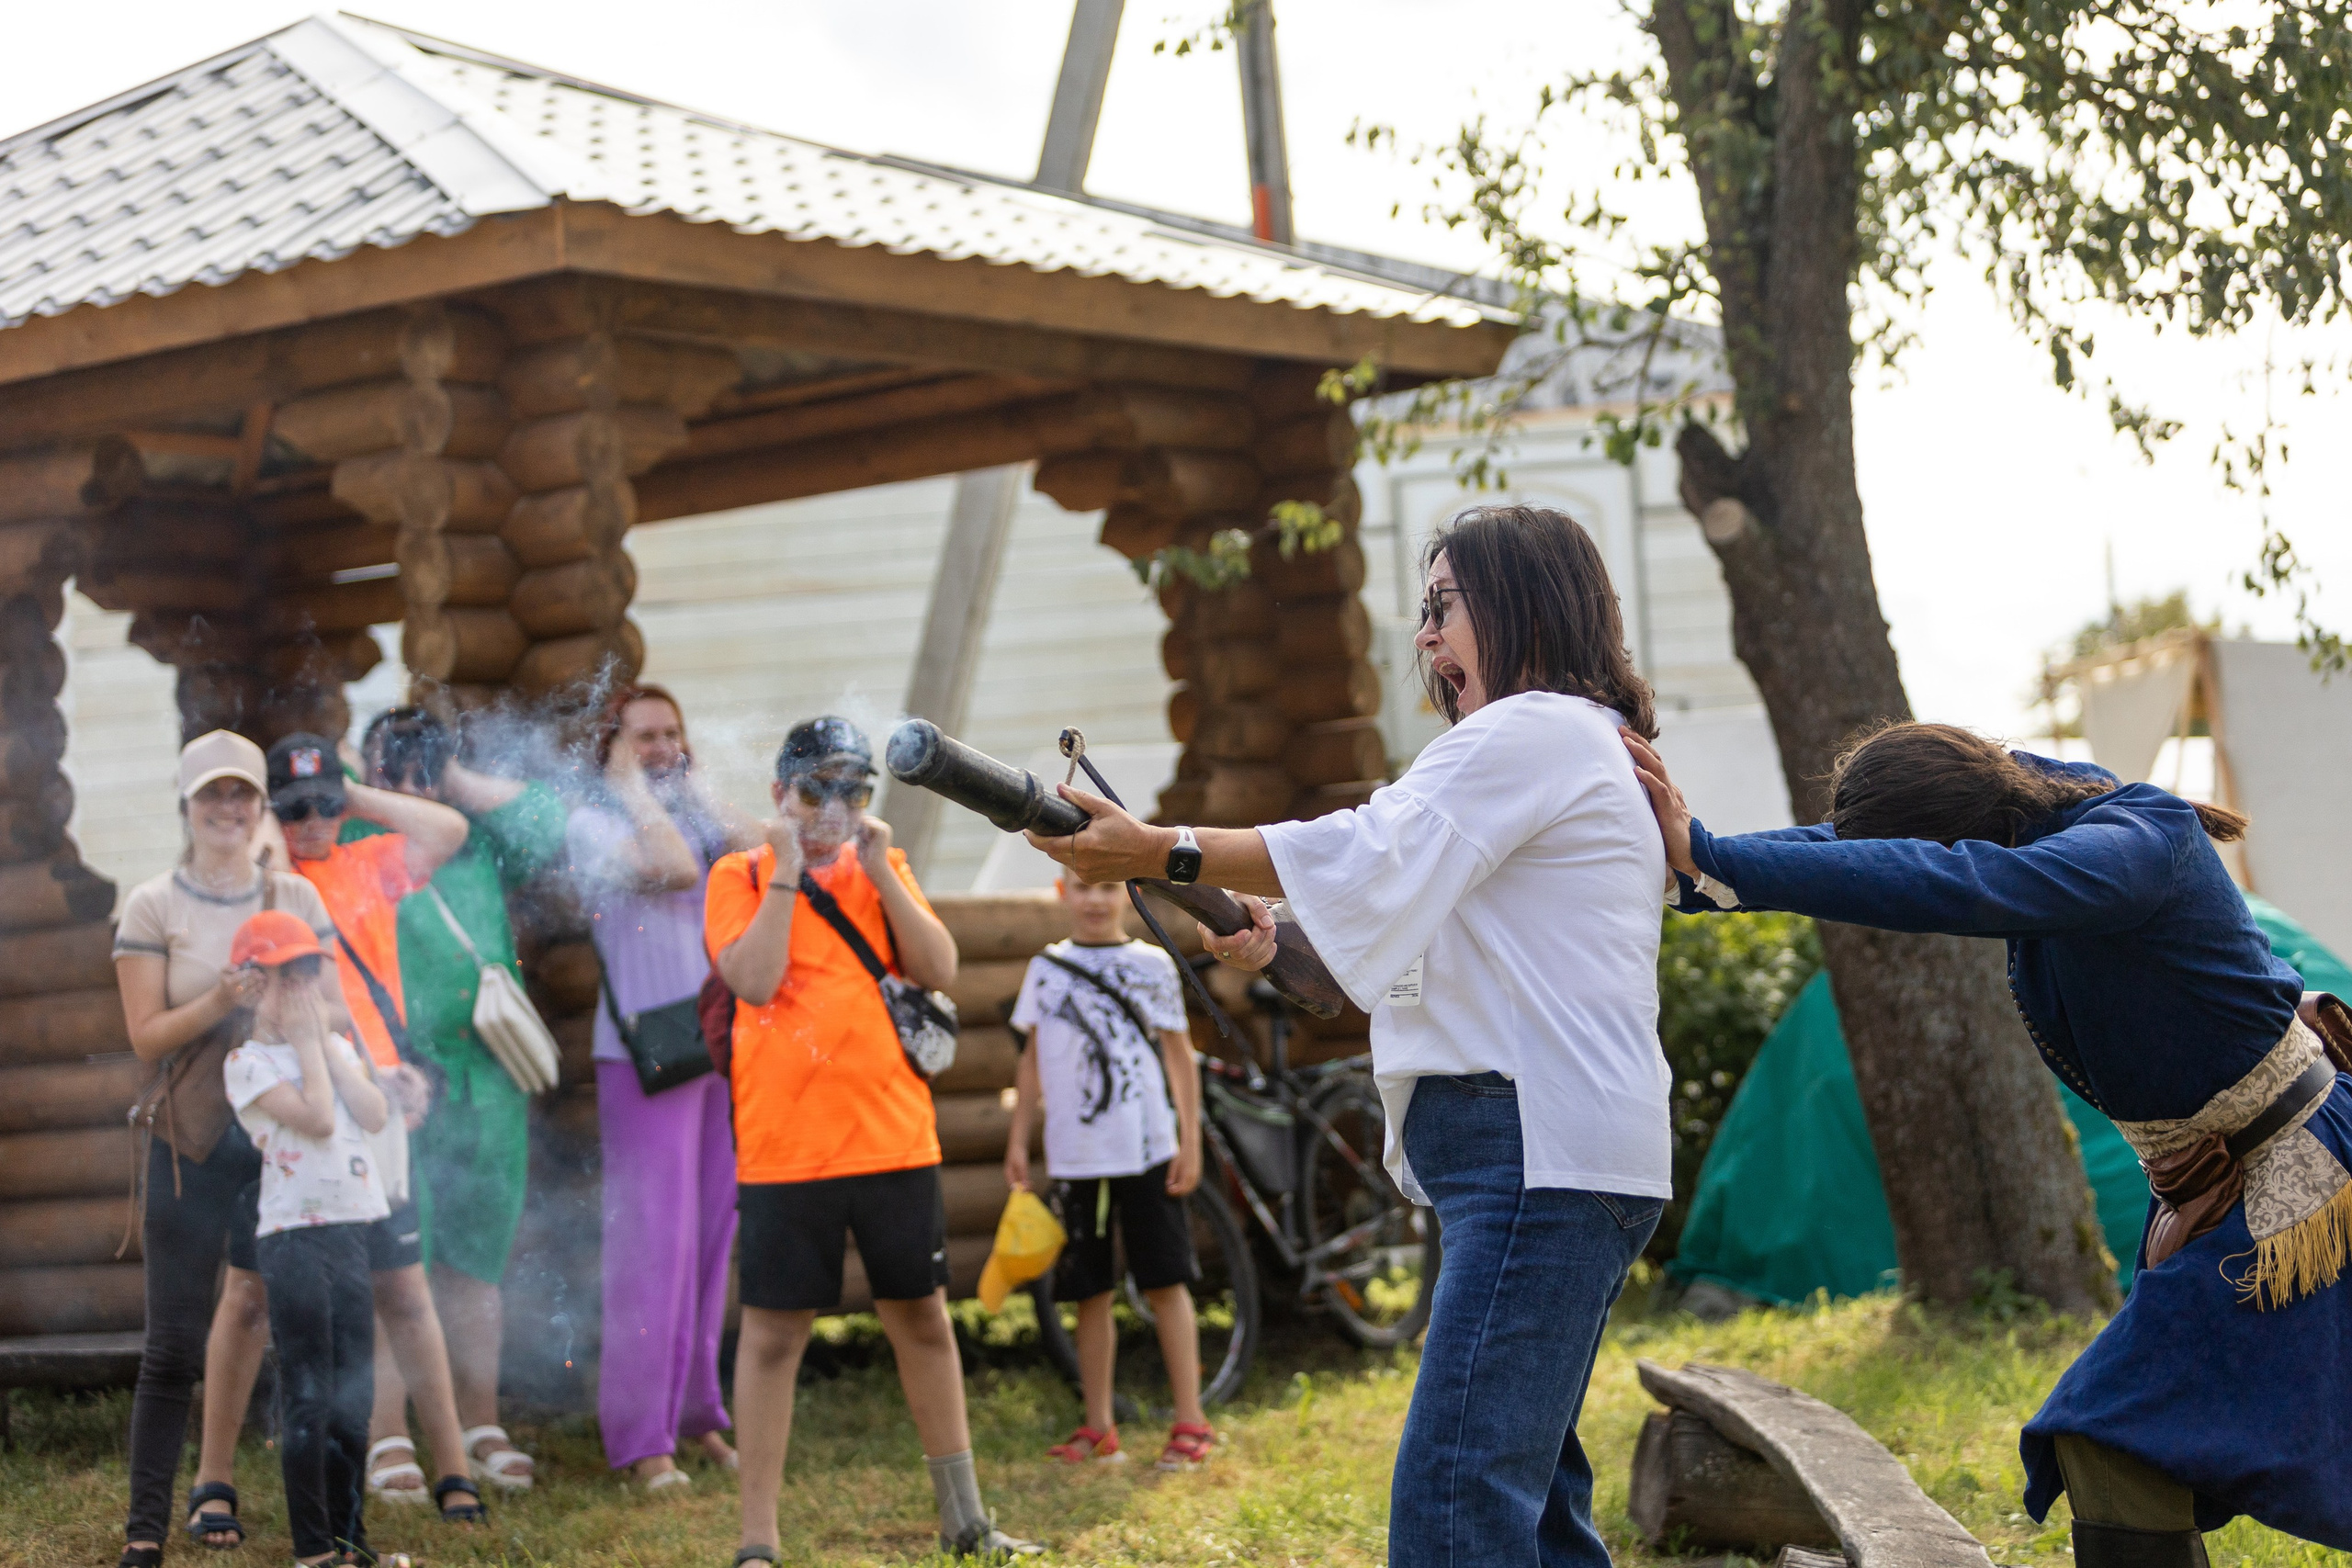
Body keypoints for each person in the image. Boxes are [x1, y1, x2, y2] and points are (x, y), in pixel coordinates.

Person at [1030, 504, 1673, 1568]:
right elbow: (1382, 951)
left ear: (1524, 604)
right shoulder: (1571, 744)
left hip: (1535, 1152)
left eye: (1443, 606)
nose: (1423, 635)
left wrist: (1161, 847)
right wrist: (1266, 937)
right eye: (1422, 610)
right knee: (1533, 1505)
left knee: (1456, 1502)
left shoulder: (1531, 731)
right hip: (1554, 1152)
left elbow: (1368, 848)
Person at [1623, 718, 2352, 1565]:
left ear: (1964, 833)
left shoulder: (2130, 842)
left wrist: (1716, 854)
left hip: (2300, 1185)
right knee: (2115, 1439)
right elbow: (1870, 847)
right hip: (2226, 1193)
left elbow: (1952, 877)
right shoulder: (2024, 801)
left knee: (2110, 1431)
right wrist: (1698, 865)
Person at [708, 716, 1039, 1562]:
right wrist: (785, 871)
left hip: (893, 1142)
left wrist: (885, 870)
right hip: (785, 1151)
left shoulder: (883, 868)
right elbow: (751, 978)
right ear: (781, 794)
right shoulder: (738, 874)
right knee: (774, 1335)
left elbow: (939, 967)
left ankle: (966, 1521)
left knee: (923, 1318)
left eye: (853, 789)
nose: (834, 806)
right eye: (815, 787)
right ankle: (757, 1542)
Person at [112, 732, 349, 1568]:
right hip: (192, 1140)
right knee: (171, 1340)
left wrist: (282, 1005)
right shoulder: (152, 905)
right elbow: (146, 1038)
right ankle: (145, 1528)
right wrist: (222, 995)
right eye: (212, 794)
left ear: (260, 807)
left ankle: (314, 1531)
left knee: (283, 1324)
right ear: (187, 804)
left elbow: (338, 1014)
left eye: (242, 794)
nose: (228, 808)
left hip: (281, 1143)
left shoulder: (293, 894)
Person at [344, 708, 568, 1498]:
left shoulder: (476, 837)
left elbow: (547, 824)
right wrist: (368, 789)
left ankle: (480, 1423)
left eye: (421, 759)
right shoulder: (348, 842)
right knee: (395, 1267)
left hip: (487, 1082)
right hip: (396, 1080)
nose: (407, 773)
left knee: (476, 1258)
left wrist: (456, 775)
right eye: (392, 758)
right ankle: (388, 1433)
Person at [266, 731, 487, 1528]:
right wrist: (274, 822)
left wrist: (348, 789)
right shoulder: (269, 879)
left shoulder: (365, 861)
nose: (315, 820)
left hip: (383, 1098)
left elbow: (450, 831)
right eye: (297, 807)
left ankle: (454, 1464)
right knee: (315, 1293)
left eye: (326, 804)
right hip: (307, 1100)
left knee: (403, 1285)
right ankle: (357, 1451)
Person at [565, 684, 756, 1489]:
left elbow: (759, 856)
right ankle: (641, 1438)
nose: (662, 745)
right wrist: (632, 785)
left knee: (711, 1240)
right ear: (610, 748)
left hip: (715, 1046)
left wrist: (695, 778)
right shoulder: (593, 823)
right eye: (642, 735)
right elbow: (672, 867)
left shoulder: (695, 815)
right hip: (643, 1055)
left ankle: (696, 1412)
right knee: (653, 1248)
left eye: (672, 732)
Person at [1002, 872, 1210, 1470]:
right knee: (1087, 1289)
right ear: (1060, 890)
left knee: (1165, 1281)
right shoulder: (1045, 967)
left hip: (1145, 1150)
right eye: (1082, 886)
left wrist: (1188, 1141)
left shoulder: (1152, 965)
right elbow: (1033, 1060)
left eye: (1106, 886)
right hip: (1075, 1158)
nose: (1095, 899)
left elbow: (1180, 1057)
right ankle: (1098, 1425)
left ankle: (1191, 1420)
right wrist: (1020, 1139)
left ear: (1127, 893)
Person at [221, 911, 393, 1568]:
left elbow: (375, 1113)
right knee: (310, 1393)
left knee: (355, 1394)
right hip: (293, 1236)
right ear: (250, 984)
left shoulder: (333, 1045)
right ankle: (314, 1548)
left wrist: (325, 1043)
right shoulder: (248, 1062)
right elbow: (319, 1119)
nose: (298, 988)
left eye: (304, 972)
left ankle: (353, 1539)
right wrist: (308, 1044)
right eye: (280, 976)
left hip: (351, 1227)